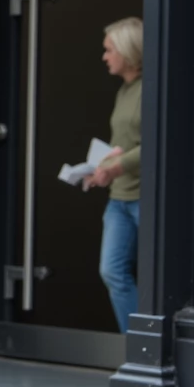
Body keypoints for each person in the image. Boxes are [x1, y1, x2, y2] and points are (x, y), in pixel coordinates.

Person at [83, 17, 142, 332]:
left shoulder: (150, 89)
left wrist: (119, 165)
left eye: (109, 50)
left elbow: (160, 145)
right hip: (119, 198)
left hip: (145, 198)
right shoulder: (125, 91)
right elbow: (125, 145)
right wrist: (101, 167)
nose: (104, 57)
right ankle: (136, 350)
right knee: (112, 272)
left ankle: (151, 353)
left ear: (128, 50)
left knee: (160, 279)